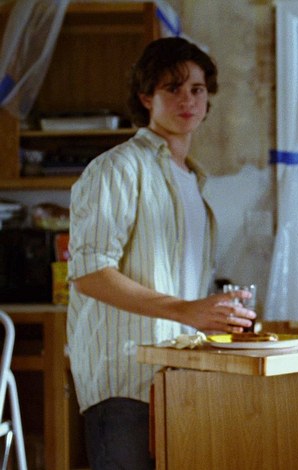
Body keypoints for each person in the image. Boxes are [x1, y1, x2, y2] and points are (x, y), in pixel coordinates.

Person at [67, 37, 255, 470]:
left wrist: (212, 312)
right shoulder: (118, 168)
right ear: (146, 97)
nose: (187, 100)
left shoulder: (193, 180)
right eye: (173, 88)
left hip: (177, 379)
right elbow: (90, 273)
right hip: (124, 380)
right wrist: (186, 310)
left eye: (197, 89)